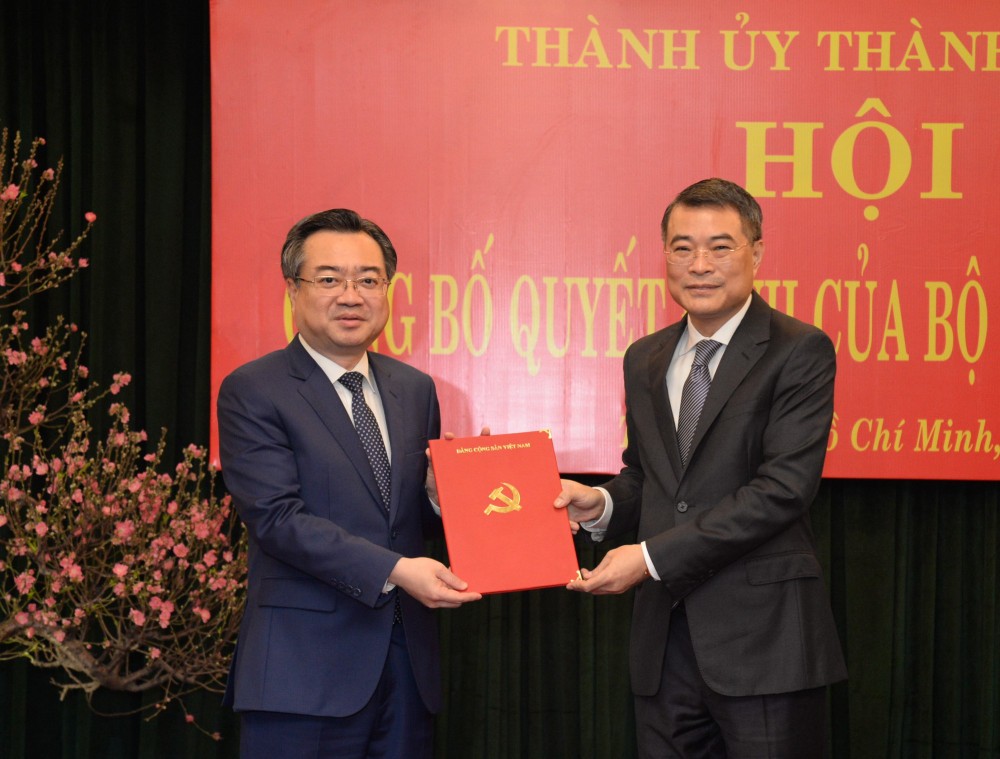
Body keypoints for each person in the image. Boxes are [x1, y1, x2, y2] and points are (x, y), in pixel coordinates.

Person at [556, 178, 847, 757]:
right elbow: (651, 477)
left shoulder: (799, 349)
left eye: (721, 246)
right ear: (664, 254)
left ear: (756, 253)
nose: (699, 264)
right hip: (663, 647)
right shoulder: (645, 357)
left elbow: (782, 491)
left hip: (763, 644)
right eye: (682, 247)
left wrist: (648, 557)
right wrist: (604, 505)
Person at [217, 208, 481, 759]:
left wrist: (441, 497)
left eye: (368, 280)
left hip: (407, 670)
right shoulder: (254, 390)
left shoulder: (415, 389)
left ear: (387, 289)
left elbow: (406, 520)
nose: (351, 295)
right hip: (302, 676)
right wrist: (395, 571)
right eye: (329, 279)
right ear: (293, 288)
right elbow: (277, 519)